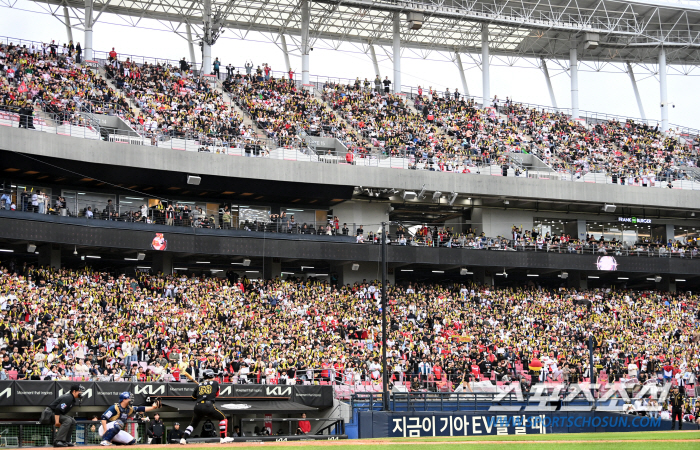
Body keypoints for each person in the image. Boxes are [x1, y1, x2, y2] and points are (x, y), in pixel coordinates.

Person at [179, 369, 233, 444]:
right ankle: (223, 438)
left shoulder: (199, 385)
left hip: (198, 406)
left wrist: (202, 391)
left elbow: (193, 398)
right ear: (211, 375)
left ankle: (183, 439)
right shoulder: (215, 383)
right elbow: (217, 394)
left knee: (193, 424)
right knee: (223, 418)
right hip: (208, 405)